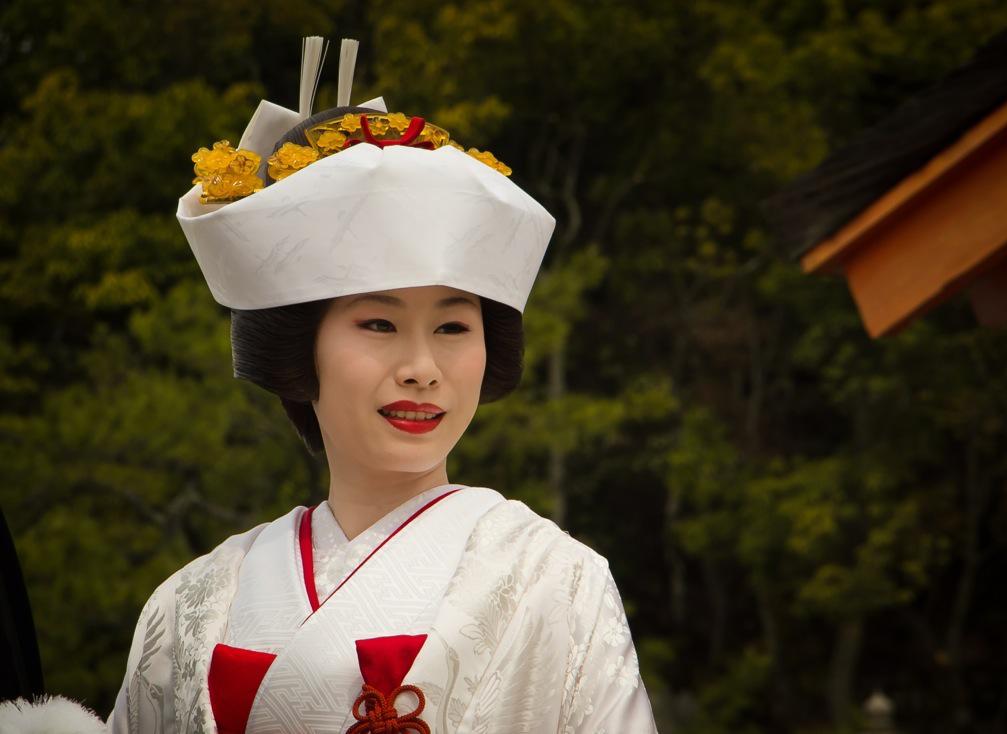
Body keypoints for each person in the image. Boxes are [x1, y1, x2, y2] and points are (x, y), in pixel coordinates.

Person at [100, 37, 659, 733]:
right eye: (378, 325)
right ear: (299, 349)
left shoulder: (554, 582)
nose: (422, 366)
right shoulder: (194, 604)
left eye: (454, 328)